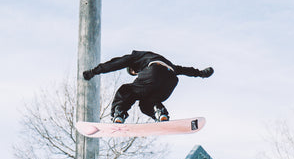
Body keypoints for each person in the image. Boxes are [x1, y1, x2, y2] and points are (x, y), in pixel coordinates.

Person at [83, 50, 214, 123]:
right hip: (170, 80)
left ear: (133, 68)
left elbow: (116, 63)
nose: (136, 74)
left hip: (153, 73)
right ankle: (160, 112)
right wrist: (202, 73)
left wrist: (94, 71)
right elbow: (185, 70)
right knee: (146, 104)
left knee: (127, 90)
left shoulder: (136, 57)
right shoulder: (164, 60)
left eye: (134, 72)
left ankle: (119, 113)